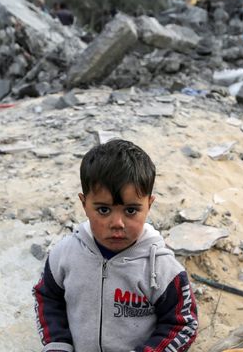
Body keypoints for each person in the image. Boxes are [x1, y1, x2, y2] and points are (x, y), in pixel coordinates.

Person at [33, 140, 198, 352]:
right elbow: (48, 297)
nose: (117, 223)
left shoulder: (163, 268)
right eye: (103, 210)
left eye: (130, 210)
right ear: (84, 204)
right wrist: (58, 343)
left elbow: (182, 324)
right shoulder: (64, 255)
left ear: (149, 204)